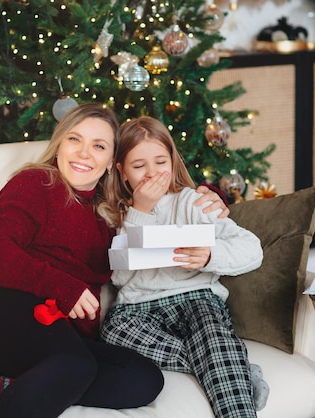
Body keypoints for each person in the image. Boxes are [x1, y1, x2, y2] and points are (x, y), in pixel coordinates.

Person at [0, 103, 229, 418]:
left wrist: (209, 196)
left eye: (98, 146)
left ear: (113, 162)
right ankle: (41, 379)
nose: (84, 153)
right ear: (60, 145)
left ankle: (10, 386)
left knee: (143, 379)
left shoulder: (115, 213)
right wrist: (63, 287)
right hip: (0, 309)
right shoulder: (36, 184)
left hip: (56, 335)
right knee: (75, 365)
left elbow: (168, 202)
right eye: (75, 140)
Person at [100, 116, 269, 418]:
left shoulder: (193, 203)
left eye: (160, 162)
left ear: (173, 161)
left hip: (196, 296)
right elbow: (120, 276)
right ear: (122, 171)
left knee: (212, 332)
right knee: (113, 331)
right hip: (139, 307)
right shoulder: (115, 213)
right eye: (139, 166)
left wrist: (209, 256)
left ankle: (229, 376)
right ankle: (235, 366)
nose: (152, 174)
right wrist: (140, 212)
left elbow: (252, 249)